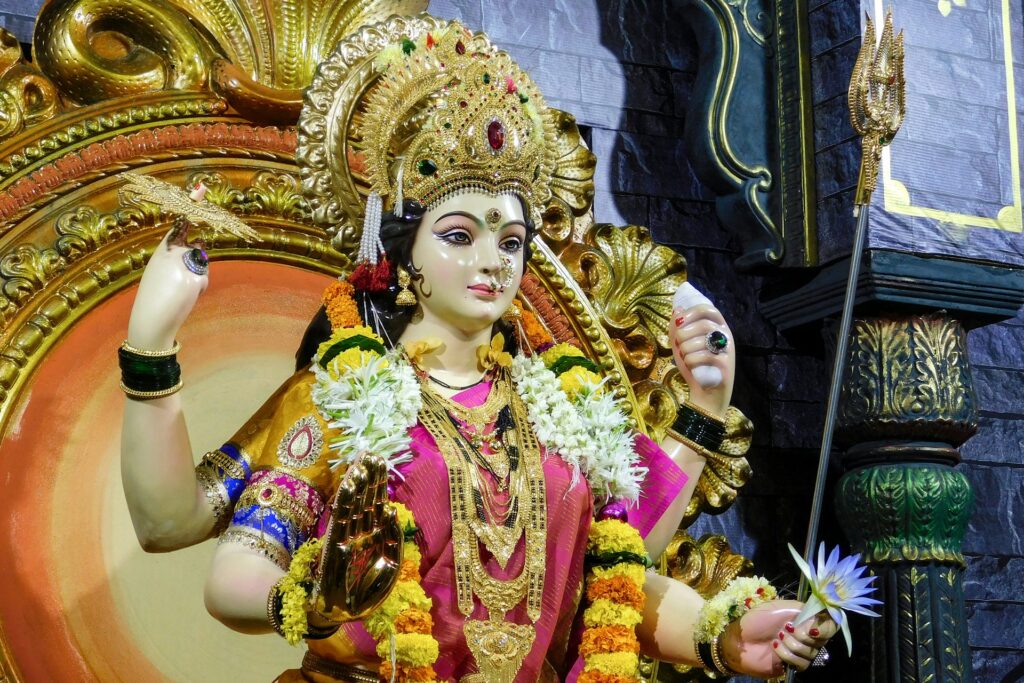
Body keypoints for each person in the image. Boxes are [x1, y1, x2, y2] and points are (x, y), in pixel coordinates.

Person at [119, 17, 836, 683]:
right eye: (461, 236)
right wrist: (314, 594)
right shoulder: (342, 397)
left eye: (513, 241)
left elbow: (613, 572)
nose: (494, 260)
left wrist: (725, 631)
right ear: (401, 254)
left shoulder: (560, 411)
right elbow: (229, 566)